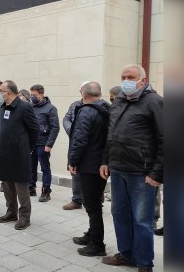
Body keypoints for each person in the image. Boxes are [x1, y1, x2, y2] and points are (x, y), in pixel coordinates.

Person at [100, 65, 163, 271]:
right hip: (117, 169)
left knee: (142, 221)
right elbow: (110, 134)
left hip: (142, 174)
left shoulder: (155, 102)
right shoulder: (118, 100)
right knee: (119, 214)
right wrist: (105, 160)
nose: (126, 80)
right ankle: (126, 254)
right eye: (123, 76)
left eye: (131, 77)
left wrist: (156, 173)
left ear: (143, 81)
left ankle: (145, 263)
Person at [67, 82, 110, 256]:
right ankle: (92, 234)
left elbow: (80, 139)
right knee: (94, 204)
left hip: (89, 165)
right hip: (100, 163)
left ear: (83, 95)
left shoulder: (86, 111)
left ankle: (97, 244)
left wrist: (72, 160)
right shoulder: (106, 109)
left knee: (92, 205)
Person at [0, 80, 39, 230]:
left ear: (8, 92)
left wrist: (28, 147)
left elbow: (35, 129)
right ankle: (11, 212)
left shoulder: (24, 107)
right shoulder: (4, 107)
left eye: (0, 91)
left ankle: (25, 217)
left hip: (20, 153)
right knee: (7, 185)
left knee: (21, 187)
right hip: (6, 153)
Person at [28, 84, 60, 201]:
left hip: (43, 143)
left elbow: (55, 127)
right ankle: (31, 187)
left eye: (34, 95)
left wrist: (49, 144)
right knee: (31, 166)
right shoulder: (31, 107)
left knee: (45, 168)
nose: (32, 97)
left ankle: (46, 191)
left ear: (41, 95)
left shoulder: (51, 108)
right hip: (32, 143)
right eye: (31, 94)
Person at [62, 82, 89, 210]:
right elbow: (66, 119)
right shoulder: (75, 105)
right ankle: (77, 200)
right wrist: (71, 131)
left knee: (91, 173)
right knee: (75, 171)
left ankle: (95, 201)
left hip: (91, 146)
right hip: (75, 142)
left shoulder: (99, 105)